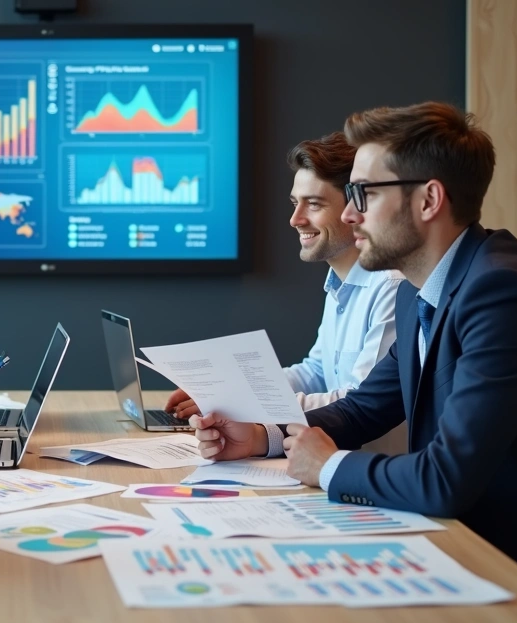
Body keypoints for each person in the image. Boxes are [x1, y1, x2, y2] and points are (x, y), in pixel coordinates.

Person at [192, 102, 517, 568]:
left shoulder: (502, 294)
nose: (350, 215)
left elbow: (445, 478)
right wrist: (262, 438)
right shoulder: (422, 289)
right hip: (464, 535)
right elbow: (364, 408)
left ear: (429, 200)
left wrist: (329, 466)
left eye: (364, 194)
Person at [166, 132, 403, 417]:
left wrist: (241, 404)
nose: (295, 219)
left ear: (357, 207)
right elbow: (316, 372)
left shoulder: (392, 287)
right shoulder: (339, 283)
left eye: (314, 204)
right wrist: (224, 391)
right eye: (295, 203)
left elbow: (359, 401)